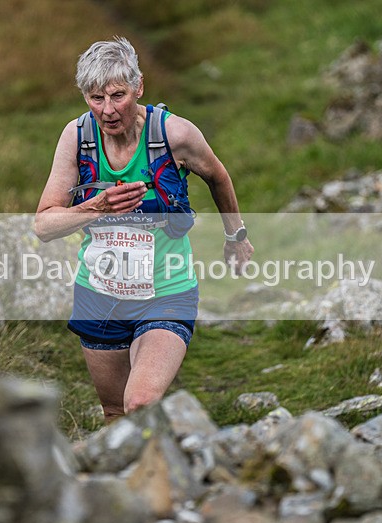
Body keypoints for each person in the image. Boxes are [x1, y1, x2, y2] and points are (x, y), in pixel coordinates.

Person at [35, 37, 253, 423]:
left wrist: (235, 236)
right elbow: (45, 224)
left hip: (166, 292)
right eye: (95, 98)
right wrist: (94, 208)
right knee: (116, 413)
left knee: (140, 402)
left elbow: (218, 177)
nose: (107, 110)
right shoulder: (77, 138)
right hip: (99, 296)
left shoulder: (176, 135)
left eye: (117, 96)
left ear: (139, 87)